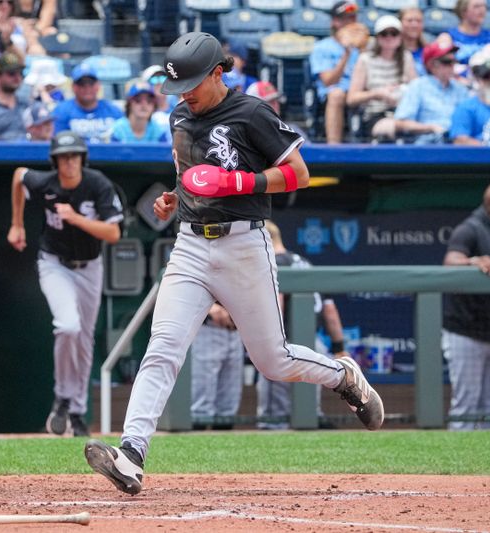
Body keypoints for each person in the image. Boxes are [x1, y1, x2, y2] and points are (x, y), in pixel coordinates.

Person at [83, 32, 384, 496]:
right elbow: (191, 177)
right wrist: (172, 198)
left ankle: (344, 375)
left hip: (243, 245)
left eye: (193, 83)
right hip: (189, 244)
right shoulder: (179, 114)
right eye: (178, 84)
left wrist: (236, 184)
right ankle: (132, 454)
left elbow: (298, 175)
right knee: (163, 346)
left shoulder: (252, 113)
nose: (184, 93)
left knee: (273, 360)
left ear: (219, 73)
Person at [7, 130, 124, 437]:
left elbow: (113, 234)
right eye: (63, 157)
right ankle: (62, 398)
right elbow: (19, 176)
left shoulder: (97, 183)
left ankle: (76, 412)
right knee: (67, 326)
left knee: (84, 341)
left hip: (89, 267)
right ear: (55, 161)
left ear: (82, 158)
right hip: (54, 264)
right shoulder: (45, 183)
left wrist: (75, 218)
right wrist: (17, 223)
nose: (69, 162)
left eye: (74, 156)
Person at [256, 220, 348, 431]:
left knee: (275, 418)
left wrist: (267, 339)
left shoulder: (274, 262)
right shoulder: (305, 263)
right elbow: (330, 311)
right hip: (313, 344)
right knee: (308, 408)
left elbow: (276, 304)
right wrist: (339, 346)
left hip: (286, 343)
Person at [442, 180, 490, 430]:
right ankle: (459, 468)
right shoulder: (471, 228)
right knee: (466, 407)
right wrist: (472, 262)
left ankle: (487, 468)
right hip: (467, 332)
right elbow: (451, 261)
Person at [346, 15, 417, 141]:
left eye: (394, 33)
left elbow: (417, 90)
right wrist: (377, 94)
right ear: (378, 37)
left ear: (400, 37)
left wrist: (403, 92)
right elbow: (351, 98)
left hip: (404, 113)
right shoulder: (365, 59)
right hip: (375, 115)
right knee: (402, 128)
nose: (389, 37)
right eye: (384, 33)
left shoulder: (407, 58)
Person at [308, 1, 369, 144]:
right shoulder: (322, 47)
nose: (350, 23)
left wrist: (363, 49)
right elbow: (328, 81)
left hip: (359, 89)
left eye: (353, 18)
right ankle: (333, 146)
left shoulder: (363, 45)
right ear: (335, 22)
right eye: (345, 18)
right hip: (334, 92)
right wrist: (346, 53)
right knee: (337, 94)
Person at [393, 41, 470, 144]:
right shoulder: (418, 86)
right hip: (428, 145)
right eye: (447, 62)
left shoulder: (460, 89)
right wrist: (430, 128)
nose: (452, 66)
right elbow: (400, 123)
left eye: (454, 61)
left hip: (458, 144)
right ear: (431, 65)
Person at [189, 303, 243, 431]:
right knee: (201, 403)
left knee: (228, 403)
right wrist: (208, 305)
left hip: (237, 329)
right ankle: (195, 442)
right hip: (207, 327)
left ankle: (223, 446)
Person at [52, 63, 123, 142]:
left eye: (91, 83)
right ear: (73, 87)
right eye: (81, 84)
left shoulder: (113, 111)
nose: (87, 88)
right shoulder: (61, 111)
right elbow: (60, 142)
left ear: (98, 85)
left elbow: (121, 141)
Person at [449, 51, 490, 146]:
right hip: (481, 159)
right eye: (486, 76)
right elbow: (460, 141)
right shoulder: (466, 108)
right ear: (477, 79)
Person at [439, 0, 490, 66]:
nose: (482, 10)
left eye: (484, 6)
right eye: (476, 6)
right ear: (463, 12)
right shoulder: (448, 37)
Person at [399, 7, 427, 77]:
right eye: (409, 20)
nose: (414, 25)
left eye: (418, 21)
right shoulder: (391, 51)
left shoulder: (428, 51)